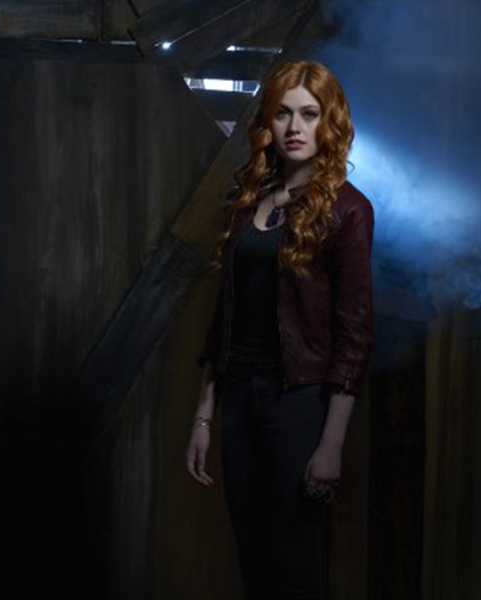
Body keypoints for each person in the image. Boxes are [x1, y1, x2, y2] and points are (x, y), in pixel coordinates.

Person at [185, 60, 375, 600]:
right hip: (239, 398)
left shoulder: (349, 210)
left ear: (329, 122)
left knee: (293, 565)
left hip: (298, 402)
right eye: (283, 114)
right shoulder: (249, 201)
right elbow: (225, 316)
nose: (295, 127)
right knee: (253, 558)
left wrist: (331, 442)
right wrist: (204, 415)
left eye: (309, 114)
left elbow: (355, 336)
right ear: (268, 123)